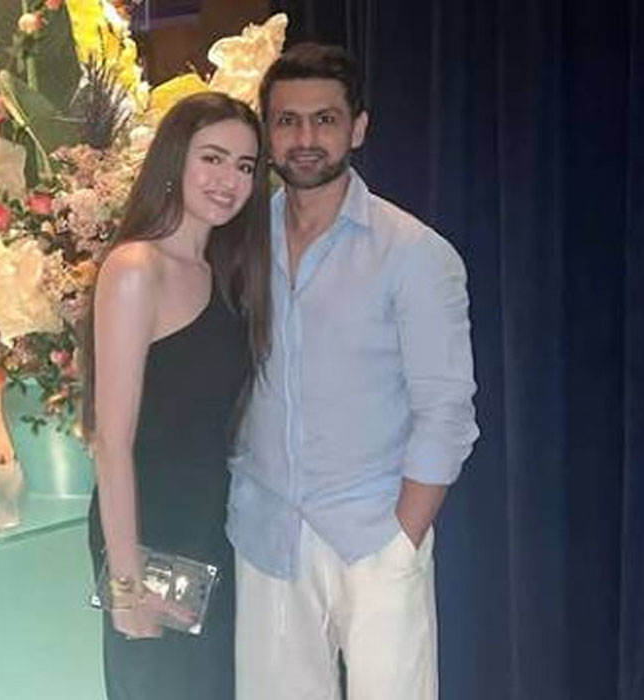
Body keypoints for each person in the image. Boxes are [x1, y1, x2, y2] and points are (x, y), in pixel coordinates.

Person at [228, 43, 480, 700]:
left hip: (374, 533)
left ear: (358, 128)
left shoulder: (415, 254)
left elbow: (446, 411)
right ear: (268, 133)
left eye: (325, 119)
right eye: (287, 121)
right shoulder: (239, 243)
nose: (305, 138)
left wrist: (403, 539)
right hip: (268, 532)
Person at [83, 91, 271, 700]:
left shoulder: (225, 272)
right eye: (212, 158)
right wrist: (127, 585)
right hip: (149, 529)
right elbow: (112, 442)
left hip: (211, 526)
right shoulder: (137, 267)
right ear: (175, 159)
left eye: (244, 166)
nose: (228, 180)